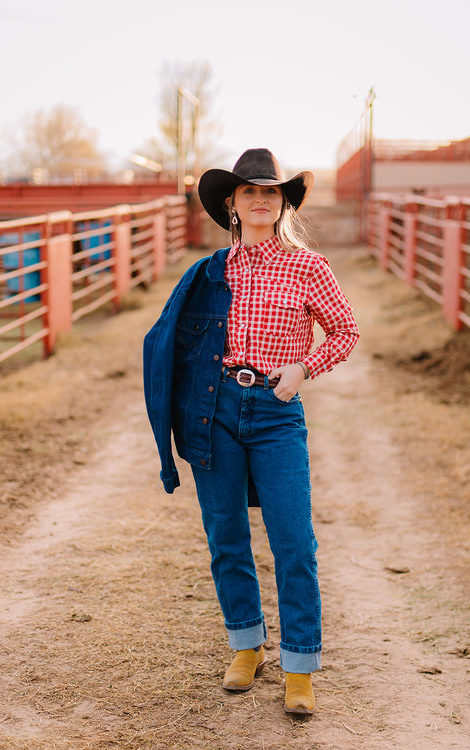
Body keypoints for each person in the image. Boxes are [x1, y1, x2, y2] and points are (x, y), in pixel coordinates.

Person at [143, 148, 359, 715]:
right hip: (216, 412)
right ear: (232, 205)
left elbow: (344, 331)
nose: (261, 198)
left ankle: (300, 666)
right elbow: (172, 341)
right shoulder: (210, 272)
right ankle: (246, 645)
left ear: (282, 203)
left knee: (294, 544)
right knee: (226, 538)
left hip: (275, 411)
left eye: (271, 191)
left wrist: (304, 368)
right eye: (248, 191)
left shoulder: (309, 267)